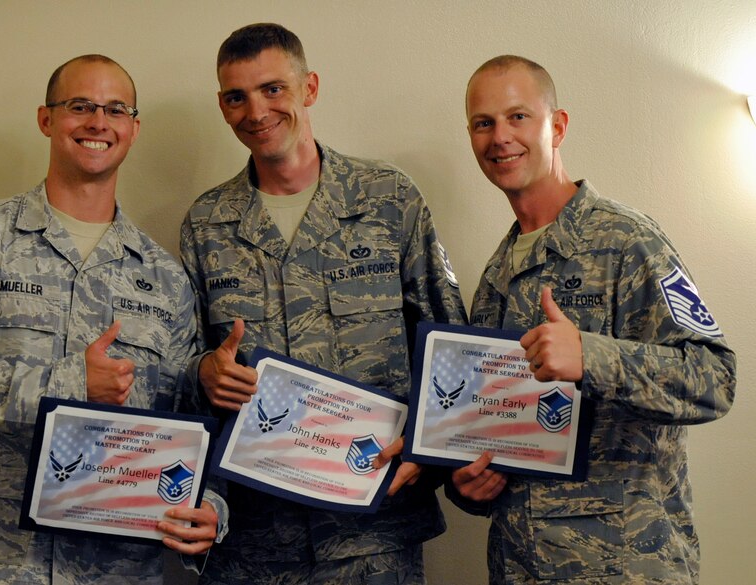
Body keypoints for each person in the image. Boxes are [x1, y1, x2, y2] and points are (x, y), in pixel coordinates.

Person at [0, 54, 225, 585]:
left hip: (116, 566)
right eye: (80, 106)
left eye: (116, 110)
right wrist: (71, 383)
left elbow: (187, 419)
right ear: (46, 119)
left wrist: (210, 501)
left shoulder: (166, 277)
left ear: (133, 128)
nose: (99, 122)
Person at [179, 22, 467, 585]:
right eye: (236, 97)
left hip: (374, 531)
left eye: (273, 89)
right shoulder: (206, 224)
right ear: (222, 106)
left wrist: (425, 452)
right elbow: (183, 369)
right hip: (252, 540)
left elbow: (449, 346)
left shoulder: (389, 199)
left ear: (309, 87)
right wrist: (204, 372)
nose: (256, 111)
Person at [447, 55, 737, 584]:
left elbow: (715, 378)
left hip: (625, 566)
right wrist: (468, 486)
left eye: (518, 117)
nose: (500, 137)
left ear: (557, 126)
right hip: (520, 566)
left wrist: (591, 356)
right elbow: (494, 426)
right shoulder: (496, 275)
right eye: (483, 123)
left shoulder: (627, 241)